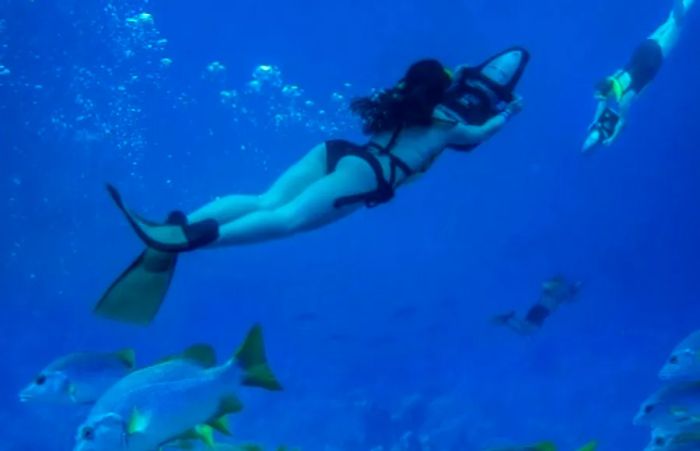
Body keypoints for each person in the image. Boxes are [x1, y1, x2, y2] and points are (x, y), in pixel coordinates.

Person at [95, 48, 531, 324]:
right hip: (369, 175)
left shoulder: (402, 102)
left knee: (265, 197)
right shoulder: (448, 126)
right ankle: (191, 242)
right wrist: (509, 111)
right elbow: (481, 134)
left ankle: (187, 222)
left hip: (339, 151)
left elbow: (431, 89)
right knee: (285, 220)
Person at [582, 0, 695, 153]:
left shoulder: (623, 100)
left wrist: (611, 138)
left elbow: (622, 121)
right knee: (670, 20)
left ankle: (681, 7)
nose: (599, 98)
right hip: (642, 50)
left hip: (652, 60)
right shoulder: (613, 77)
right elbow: (602, 100)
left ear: (607, 92)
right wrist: (595, 120)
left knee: (677, 25)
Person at [492, 276, 582, 336]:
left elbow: (547, 287)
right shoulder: (558, 295)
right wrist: (573, 290)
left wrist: (571, 289)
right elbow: (569, 298)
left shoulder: (555, 293)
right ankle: (508, 319)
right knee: (526, 330)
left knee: (526, 328)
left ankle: (509, 318)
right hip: (542, 311)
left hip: (539, 309)